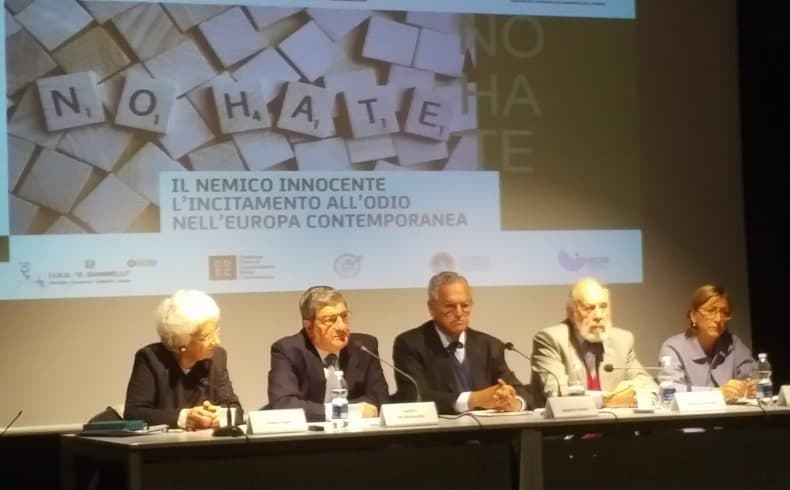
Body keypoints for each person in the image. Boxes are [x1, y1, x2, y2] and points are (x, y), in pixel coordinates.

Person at [392, 272, 529, 414]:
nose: (459, 313)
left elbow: (521, 392)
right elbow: (415, 396)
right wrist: (473, 399)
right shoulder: (410, 344)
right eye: (450, 306)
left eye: (465, 305)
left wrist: (513, 403)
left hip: (488, 427)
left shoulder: (490, 345)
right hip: (438, 426)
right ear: (432, 308)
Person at [267, 286, 389, 421]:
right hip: (311, 433)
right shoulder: (288, 351)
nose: (342, 327)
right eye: (330, 320)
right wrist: (343, 412)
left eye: (344, 316)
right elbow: (284, 404)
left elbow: (380, 398)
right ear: (309, 327)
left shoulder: (364, 347)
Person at [531, 277, 657, 408]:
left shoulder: (622, 340)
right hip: (569, 421)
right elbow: (558, 395)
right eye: (588, 308)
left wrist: (636, 395)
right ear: (571, 312)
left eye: (603, 307)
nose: (598, 316)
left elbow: (650, 388)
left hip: (614, 421)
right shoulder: (550, 339)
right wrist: (607, 400)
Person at [124, 290, 241, 429]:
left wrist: (220, 415)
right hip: (162, 442)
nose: (216, 341)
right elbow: (134, 414)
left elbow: (235, 409)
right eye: (205, 337)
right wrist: (184, 417)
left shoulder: (217, 356)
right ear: (182, 342)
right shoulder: (150, 358)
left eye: (216, 332)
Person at [658, 284, 756, 401]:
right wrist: (717, 393)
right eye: (711, 311)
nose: (718, 319)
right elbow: (669, 391)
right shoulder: (673, 347)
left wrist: (751, 386)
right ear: (693, 316)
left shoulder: (733, 343)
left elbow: (754, 376)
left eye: (724, 313)